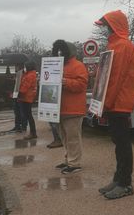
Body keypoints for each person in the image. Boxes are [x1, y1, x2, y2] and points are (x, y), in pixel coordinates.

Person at [95, 10, 134, 200]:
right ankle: (119, 179)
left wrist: (104, 104)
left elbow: (115, 80)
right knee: (118, 143)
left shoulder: (122, 46)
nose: (104, 29)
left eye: (106, 25)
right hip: (115, 103)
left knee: (122, 143)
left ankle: (125, 183)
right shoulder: (116, 45)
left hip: (119, 103)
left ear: (113, 26)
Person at [52, 40, 89, 175]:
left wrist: (65, 82)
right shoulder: (58, 66)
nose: (60, 53)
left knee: (72, 137)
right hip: (59, 109)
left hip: (73, 109)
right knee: (64, 137)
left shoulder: (78, 66)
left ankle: (74, 163)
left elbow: (82, 85)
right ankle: (69, 160)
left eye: (62, 50)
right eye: (58, 50)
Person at [19, 61, 38, 140]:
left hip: (26, 97)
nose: (24, 68)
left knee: (28, 115)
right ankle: (33, 132)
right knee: (28, 115)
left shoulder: (30, 76)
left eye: (25, 66)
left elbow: (25, 87)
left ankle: (33, 133)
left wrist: (18, 92)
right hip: (27, 97)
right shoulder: (29, 75)